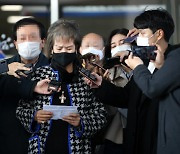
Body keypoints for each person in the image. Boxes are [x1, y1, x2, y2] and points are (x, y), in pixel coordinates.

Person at [85, 9, 179, 154]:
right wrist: (100, 85)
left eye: (142, 34)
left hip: (160, 140)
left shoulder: (173, 60)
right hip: (136, 139)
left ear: (159, 34)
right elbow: (126, 97)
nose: (137, 39)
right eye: (137, 34)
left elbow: (152, 88)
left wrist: (138, 67)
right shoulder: (145, 61)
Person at [16, 19, 107, 154]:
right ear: (52, 49)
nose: (64, 52)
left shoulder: (87, 78)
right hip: (42, 146)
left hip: (78, 147)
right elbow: (21, 108)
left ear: (76, 49)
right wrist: (35, 116)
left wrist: (82, 122)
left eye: (69, 48)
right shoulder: (39, 75)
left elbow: (101, 113)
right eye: (59, 48)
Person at [0, 18, 49, 154]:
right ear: (15, 43)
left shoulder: (53, 69)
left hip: (43, 143)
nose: (27, 42)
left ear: (42, 42)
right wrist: (4, 69)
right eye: (22, 38)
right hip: (8, 142)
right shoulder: (4, 67)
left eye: (33, 37)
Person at [101, 28, 134, 154]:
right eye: (113, 46)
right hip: (117, 136)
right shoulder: (107, 75)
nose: (118, 48)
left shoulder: (144, 69)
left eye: (122, 43)